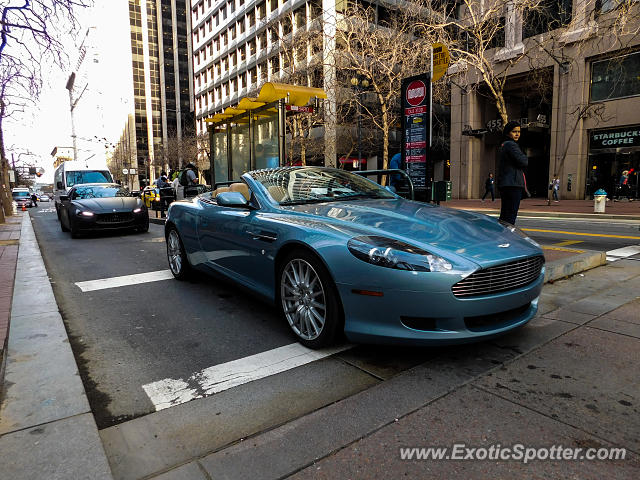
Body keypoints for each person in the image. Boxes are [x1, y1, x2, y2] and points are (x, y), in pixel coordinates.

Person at [497, 121, 528, 225]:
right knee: (510, 217)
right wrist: (524, 156)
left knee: (505, 216)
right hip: (513, 184)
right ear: (507, 132)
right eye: (514, 131)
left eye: (519, 131)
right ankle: (507, 238)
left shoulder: (504, 144)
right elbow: (524, 161)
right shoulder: (511, 145)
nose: (517, 134)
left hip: (507, 184)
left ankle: (502, 237)